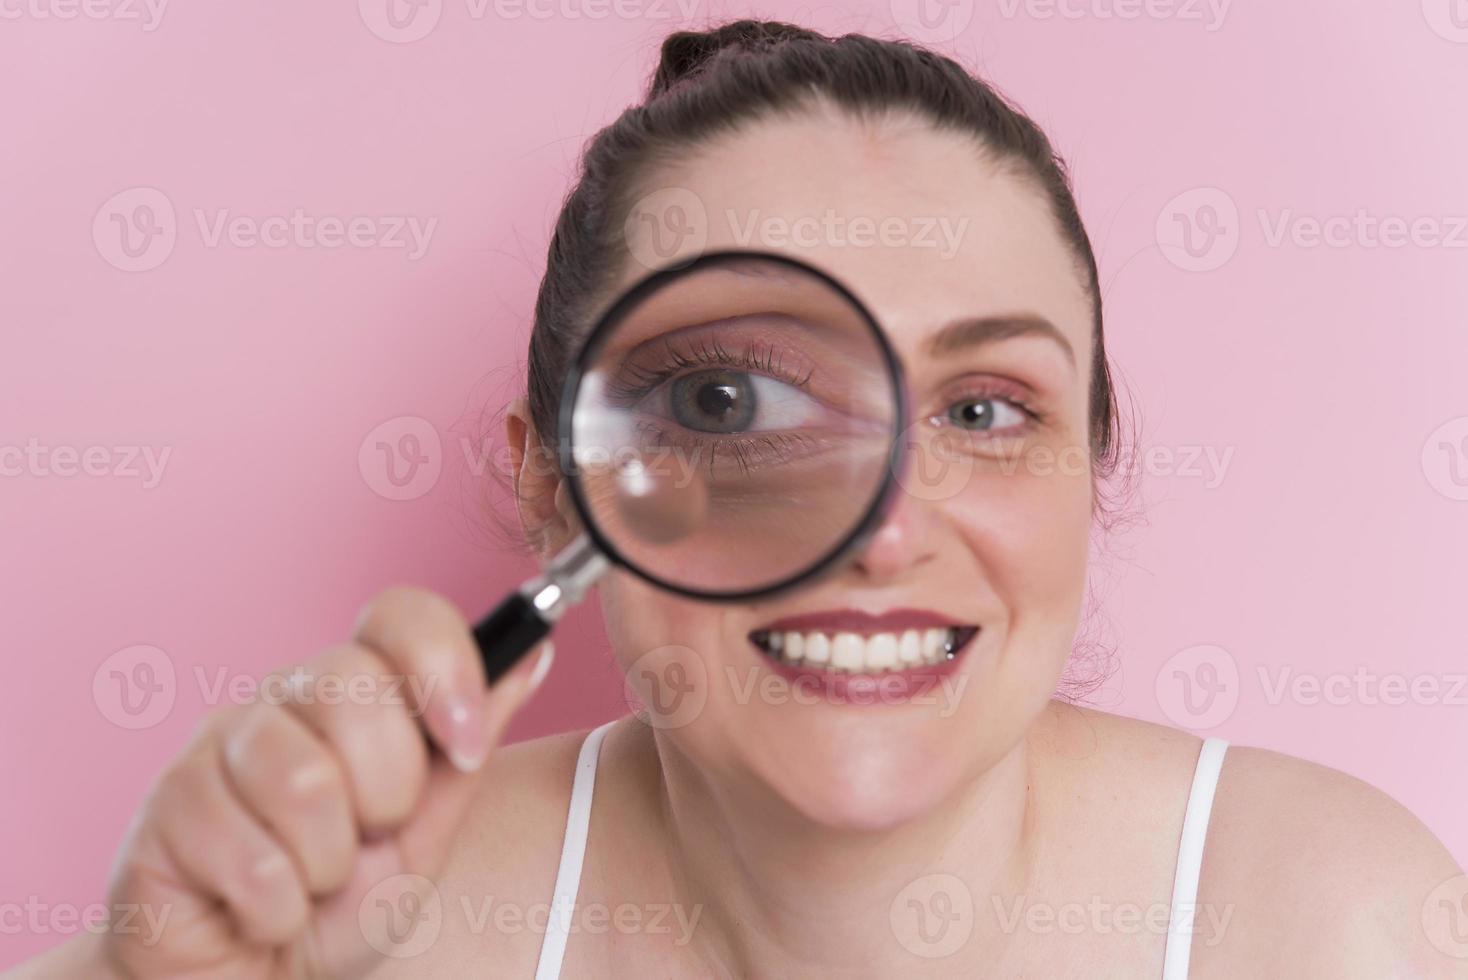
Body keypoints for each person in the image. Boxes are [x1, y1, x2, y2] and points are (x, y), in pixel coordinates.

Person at [16, 19, 1465, 980]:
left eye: (981, 410)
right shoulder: (383, 926)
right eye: (728, 403)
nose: (884, 527)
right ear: (554, 480)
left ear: (1095, 464)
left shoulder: (1335, 923)